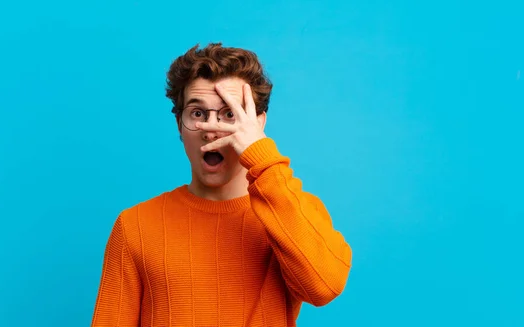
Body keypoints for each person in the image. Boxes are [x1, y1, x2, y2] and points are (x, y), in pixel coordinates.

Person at [90, 43, 352, 327]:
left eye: (230, 114)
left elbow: (324, 287)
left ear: (258, 125)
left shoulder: (295, 212)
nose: (212, 129)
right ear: (180, 124)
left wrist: (261, 156)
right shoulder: (135, 225)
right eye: (198, 114)